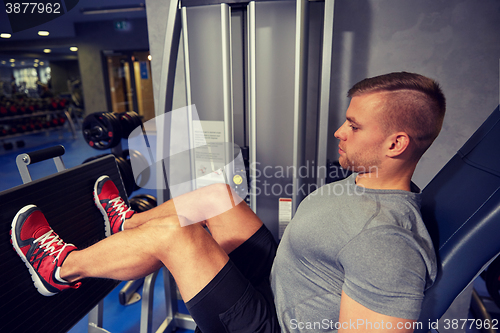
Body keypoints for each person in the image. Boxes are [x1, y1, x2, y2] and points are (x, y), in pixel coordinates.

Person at [11, 71, 446, 332]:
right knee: (217, 195)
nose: (339, 132)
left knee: (177, 235)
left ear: (396, 143)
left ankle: (60, 270)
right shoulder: (369, 183)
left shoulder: (388, 246)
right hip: (278, 283)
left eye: (354, 126)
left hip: (268, 323)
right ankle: (126, 227)